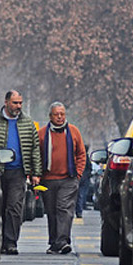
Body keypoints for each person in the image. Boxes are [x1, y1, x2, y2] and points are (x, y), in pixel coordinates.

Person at [0, 90, 42, 255]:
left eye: (20, 103)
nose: (18, 106)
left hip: (18, 172)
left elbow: (35, 148)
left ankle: (10, 242)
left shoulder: (28, 122)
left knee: (14, 207)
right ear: (6, 102)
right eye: (15, 103)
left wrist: (36, 173)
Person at [38, 102, 86, 254]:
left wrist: (78, 174)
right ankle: (54, 243)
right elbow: (36, 156)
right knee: (51, 212)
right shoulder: (42, 133)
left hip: (68, 179)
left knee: (64, 209)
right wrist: (35, 175)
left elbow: (81, 154)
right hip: (48, 180)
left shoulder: (73, 131)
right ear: (50, 116)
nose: (60, 117)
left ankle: (62, 241)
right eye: (56, 114)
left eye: (62, 114)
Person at [75, 143, 91, 218]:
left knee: (75, 195)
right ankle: (79, 210)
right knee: (81, 195)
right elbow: (89, 168)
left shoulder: (76, 155)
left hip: (77, 177)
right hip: (83, 178)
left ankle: (77, 210)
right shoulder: (85, 157)